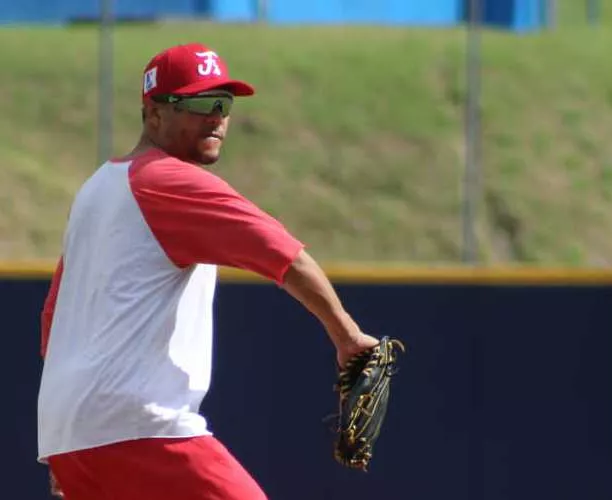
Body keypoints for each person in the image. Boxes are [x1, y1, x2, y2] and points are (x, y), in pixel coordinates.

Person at [37, 42, 379, 500]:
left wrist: (68, 437)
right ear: (154, 112)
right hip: (141, 426)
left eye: (224, 103)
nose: (216, 116)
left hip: (74, 434)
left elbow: (54, 323)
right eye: (199, 103)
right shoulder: (168, 180)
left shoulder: (96, 189)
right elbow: (285, 255)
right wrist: (347, 336)